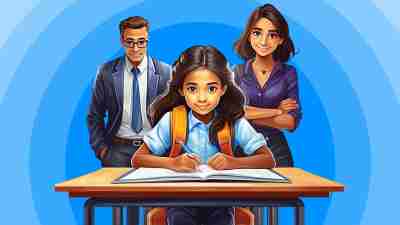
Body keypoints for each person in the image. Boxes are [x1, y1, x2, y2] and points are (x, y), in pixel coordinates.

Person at [131, 45, 276, 225]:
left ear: (223, 89)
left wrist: (234, 163)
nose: (202, 98)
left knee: (222, 219)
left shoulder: (232, 121)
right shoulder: (173, 119)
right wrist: (172, 163)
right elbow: (138, 158)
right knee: (179, 219)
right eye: (193, 89)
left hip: (222, 201)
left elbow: (267, 159)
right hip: (180, 200)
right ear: (181, 90)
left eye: (211, 89)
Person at [87, 16, 171, 225]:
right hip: (117, 150)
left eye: (141, 41)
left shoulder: (164, 72)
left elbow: (173, 115)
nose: (135, 48)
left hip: (153, 150)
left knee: (156, 209)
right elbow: (95, 115)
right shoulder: (106, 72)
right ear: (122, 41)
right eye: (130, 42)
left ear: (147, 40)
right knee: (119, 209)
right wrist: (102, 149)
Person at [233, 3, 302, 167]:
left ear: (280, 40)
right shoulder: (237, 72)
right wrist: (277, 111)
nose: (263, 41)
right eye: (257, 33)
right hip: (242, 151)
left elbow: (291, 122)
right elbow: (233, 113)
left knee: (285, 192)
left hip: (278, 151)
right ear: (249, 36)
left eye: (272, 35)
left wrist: (249, 115)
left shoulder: (288, 73)